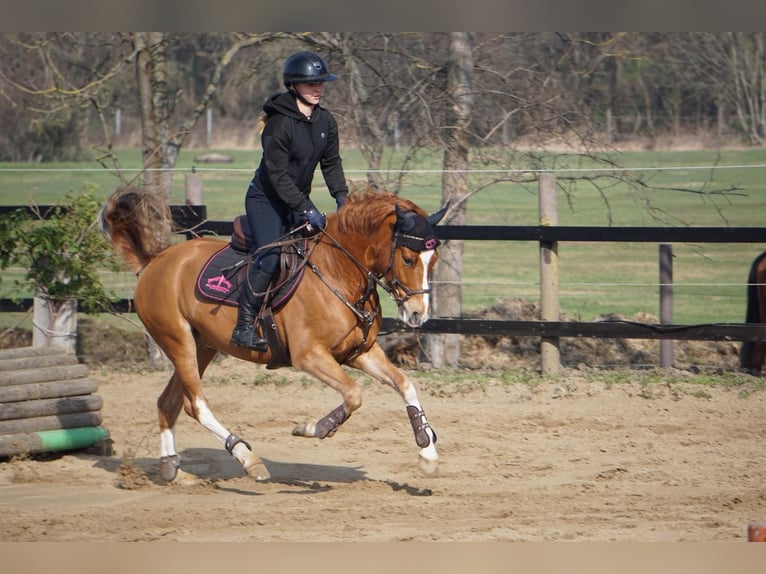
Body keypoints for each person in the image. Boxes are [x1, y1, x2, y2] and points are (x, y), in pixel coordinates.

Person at [231, 51, 349, 351]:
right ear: (294, 86)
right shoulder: (279, 125)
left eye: (321, 83)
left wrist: (342, 199)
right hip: (266, 200)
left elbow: (331, 163)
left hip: (296, 201)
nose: (318, 88)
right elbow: (278, 176)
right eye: (311, 84)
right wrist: (307, 208)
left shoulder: (326, 121)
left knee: (319, 252)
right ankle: (243, 326)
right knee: (270, 260)